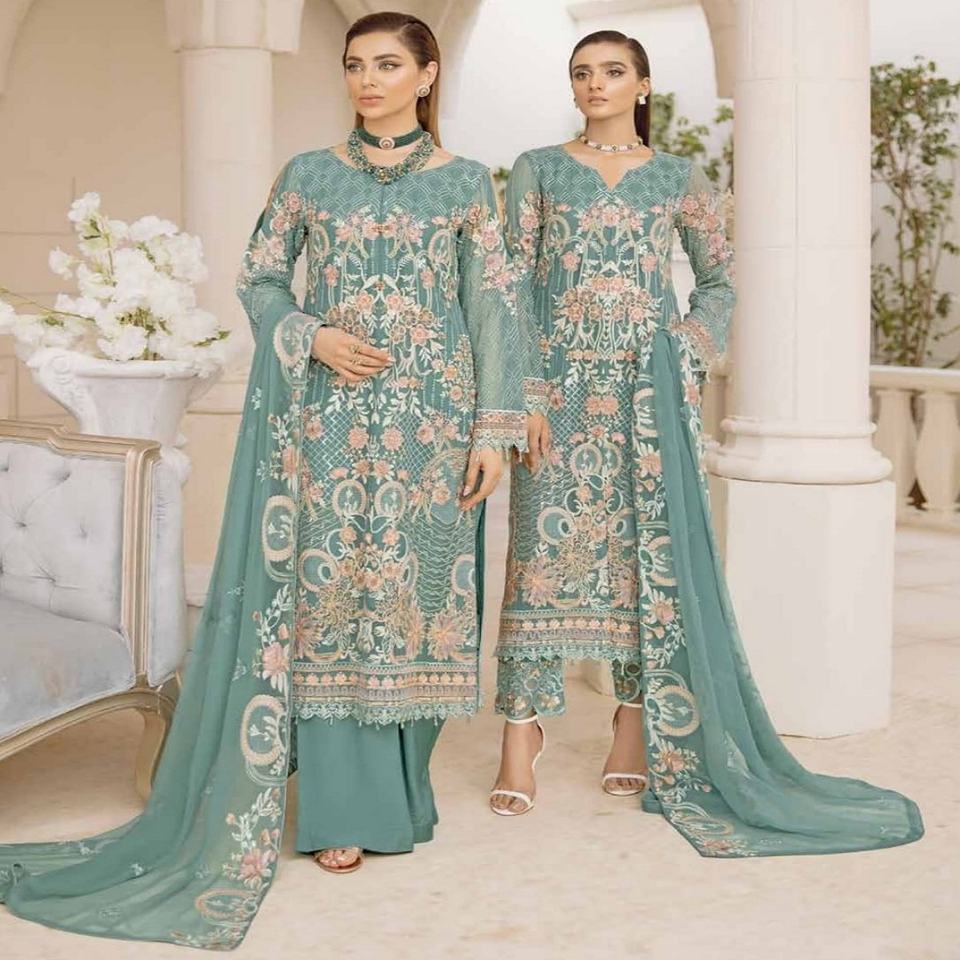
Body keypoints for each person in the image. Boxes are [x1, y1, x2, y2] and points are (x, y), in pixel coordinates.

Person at [0, 11, 525, 949]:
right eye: (356, 64)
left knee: (415, 597)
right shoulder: (308, 175)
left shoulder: (467, 185)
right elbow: (261, 278)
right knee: (329, 600)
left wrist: (494, 428)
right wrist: (309, 336)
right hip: (325, 425)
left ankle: (401, 795)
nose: (368, 79)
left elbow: (493, 305)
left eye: (388, 64)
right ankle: (340, 811)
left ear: (426, 74)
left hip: (432, 424)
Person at [489, 29, 924, 857]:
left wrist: (686, 350)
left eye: (612, 71)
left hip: (650, 400)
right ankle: (521, 730)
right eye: (581, 73)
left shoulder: (678, 178)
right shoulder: (538, 170)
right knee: (539, 557)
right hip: (561, 399)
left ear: (643, 85)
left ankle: (633, 725)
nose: (594, 84)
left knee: (642, 561)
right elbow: (509, 287)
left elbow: (719, 280)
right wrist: (527, 395)